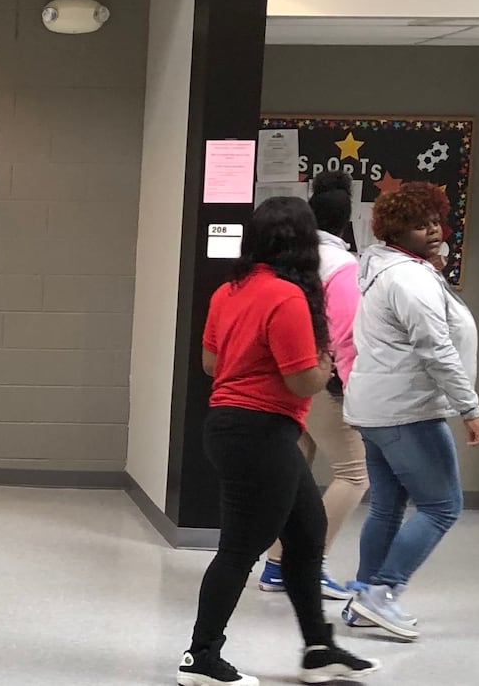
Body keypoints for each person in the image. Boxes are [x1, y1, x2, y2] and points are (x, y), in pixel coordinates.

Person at [178, 197, 379, 686]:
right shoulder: (287, 297)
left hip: (237, 427)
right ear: (303, 242)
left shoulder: (230, 291)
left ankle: (318, 649)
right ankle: (200, 657)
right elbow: (302, 382)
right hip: (259, 433)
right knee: (240, 549)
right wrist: (327, 363)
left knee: (307, 539)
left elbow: (210, 363)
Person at [341, 182, 479, 641]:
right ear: (394, 231)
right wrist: (470, 408)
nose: (431, 231)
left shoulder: (390, 269)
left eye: (434, 222)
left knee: (387, 506)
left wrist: (435, 270)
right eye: (418, 225)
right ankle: (381, 593)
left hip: (377, 407)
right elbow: (436, 347)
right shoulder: (410, 278)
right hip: (407, 409)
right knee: (443, 506)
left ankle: (364, 596)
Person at [258, 172, 369, 602]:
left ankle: (276, 563)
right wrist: (352, 388)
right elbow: (347, 336)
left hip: (286, 378)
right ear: (349, 219)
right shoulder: (342, 266)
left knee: (296, 473)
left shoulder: (286, 261)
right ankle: (306, 564)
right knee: (354, 473)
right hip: (324, 381)